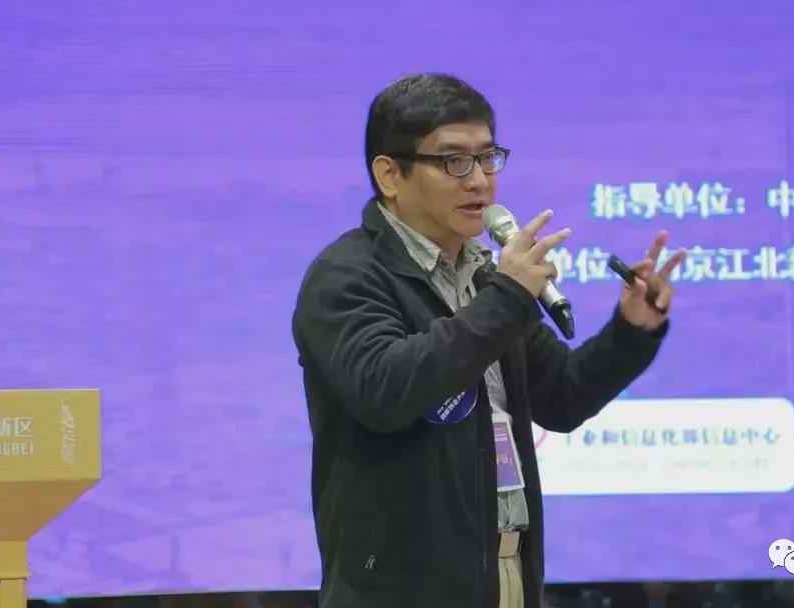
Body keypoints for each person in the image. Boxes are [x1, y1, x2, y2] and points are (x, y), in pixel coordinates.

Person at [291, 73, 685, 608]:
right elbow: (385, 391)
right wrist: (507, 296)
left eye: (487, 158)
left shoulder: (483, 279)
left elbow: (563, 396)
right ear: (390, 174)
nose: (479, 181)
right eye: (454, 161)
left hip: (507, 572)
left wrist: (632, 330)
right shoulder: (348, 276)